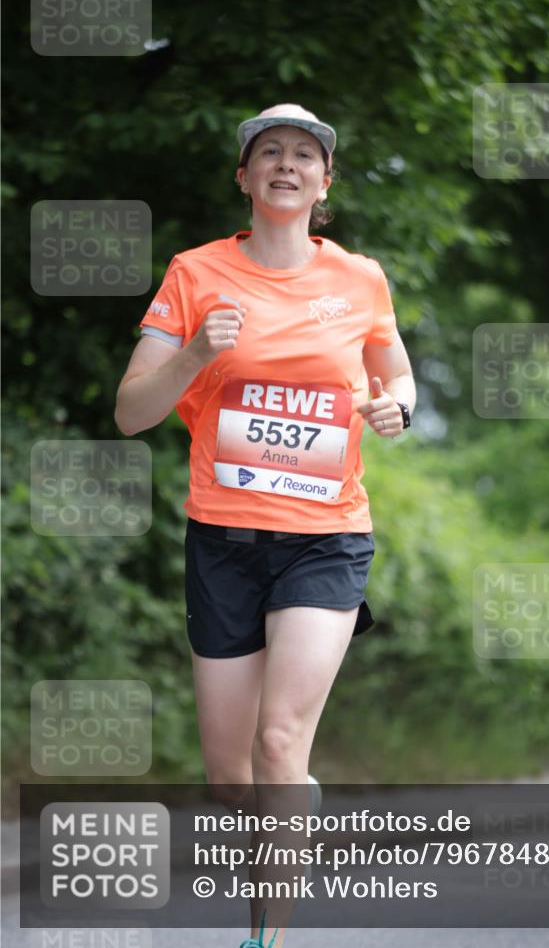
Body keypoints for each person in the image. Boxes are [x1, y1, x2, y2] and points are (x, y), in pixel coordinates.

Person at [114, 103, 416, 947]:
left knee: (282, 740)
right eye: (269, 153)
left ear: (325, 184)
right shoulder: (195, 273)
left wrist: (397, 407)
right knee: (231, 778)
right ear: (243, 178)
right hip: (224, 541)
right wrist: (191, 354)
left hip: (326, 538)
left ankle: (263, 939)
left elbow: (394, 371)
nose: (287, 164)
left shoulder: (359, 278)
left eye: (305, 156)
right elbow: (131, 414)